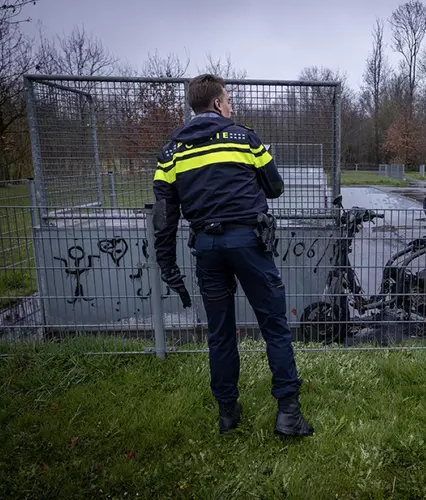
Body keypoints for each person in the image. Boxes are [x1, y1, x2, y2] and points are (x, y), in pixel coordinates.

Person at [152, 74, 314, 437]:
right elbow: (275, 187)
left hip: (207, 249)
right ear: (215, 104)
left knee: (220, 333)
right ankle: (288, 413)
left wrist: (167, 265)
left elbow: (164, 216)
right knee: (274, 325)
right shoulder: (244, 138)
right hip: (248, 243)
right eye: (227, 101)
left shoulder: (171, 151)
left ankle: (228, 414)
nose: (231, 106)